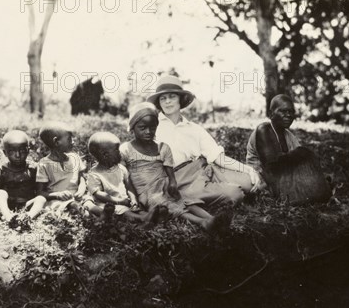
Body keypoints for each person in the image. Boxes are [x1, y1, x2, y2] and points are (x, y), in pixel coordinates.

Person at [148, 75, 261, 208]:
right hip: (179, 180)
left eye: (172, 96)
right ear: (159, 103)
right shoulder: (152, 127)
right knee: (234, 194)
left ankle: (217, 189)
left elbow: (218, 157)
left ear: (180, 99)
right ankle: (212, 195)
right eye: (163, 98)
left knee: (250, 181)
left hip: (204, 170)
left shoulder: (194, 128)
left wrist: (247, 169)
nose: (167, 101)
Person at [120, 102, 229, 233]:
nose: (148, 132)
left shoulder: (162, 147)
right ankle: (202, 222)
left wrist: (172, 182)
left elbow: (169, 170)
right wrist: (133, 198)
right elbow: (125, 178)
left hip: (163, 184)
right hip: (146, 192)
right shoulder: (126, 149)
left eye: (152, 128)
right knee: (165, 203)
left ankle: (212, 219)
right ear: (132, 128)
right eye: (142, 128)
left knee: (182, 198)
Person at [246, 94, 330, 204]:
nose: (288, 115)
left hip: (282, 177)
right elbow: (271, 166)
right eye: (283, 111)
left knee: (306, 157)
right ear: (271, 114)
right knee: (304, 156)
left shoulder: (289, 136)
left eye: (291, 112)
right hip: (260, 179)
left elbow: (296, 163)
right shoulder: (263, 130)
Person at [84, 131, 162, 224]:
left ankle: (149, 217)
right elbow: (98, 194)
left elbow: (129, 186)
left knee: (136, 210)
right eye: (116, 149)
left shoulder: (121, 168)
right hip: (108, 205)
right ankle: (143, 219)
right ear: (105, 155)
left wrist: (133, 199)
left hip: (126, 202)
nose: (120, 152)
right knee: (124, 213)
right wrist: (119, 201)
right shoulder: (94, 174)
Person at [0, 130, 47, 229]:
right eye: (12, 152)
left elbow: (40, 192)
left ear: (28, 150)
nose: (18, 155)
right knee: (0, 193)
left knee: (41, 199)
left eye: (22, 151)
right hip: (9, 205)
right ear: (5, 153)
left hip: (27, 204)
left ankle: (28, 218)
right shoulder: (1, 170)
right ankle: (9, 218)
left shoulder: (33, 169)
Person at [36, 122, 87, 215]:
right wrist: (57, 195)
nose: (73, 141)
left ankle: (100, 215)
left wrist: (81, 190)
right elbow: (40, 192)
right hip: (57, 200)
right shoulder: (44, 164)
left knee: (89, 201)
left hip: (77, 197)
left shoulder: (75, 158)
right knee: (70, 205)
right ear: (56, 142)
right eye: (69, 139)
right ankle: (85, 215)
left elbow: (82, 179)